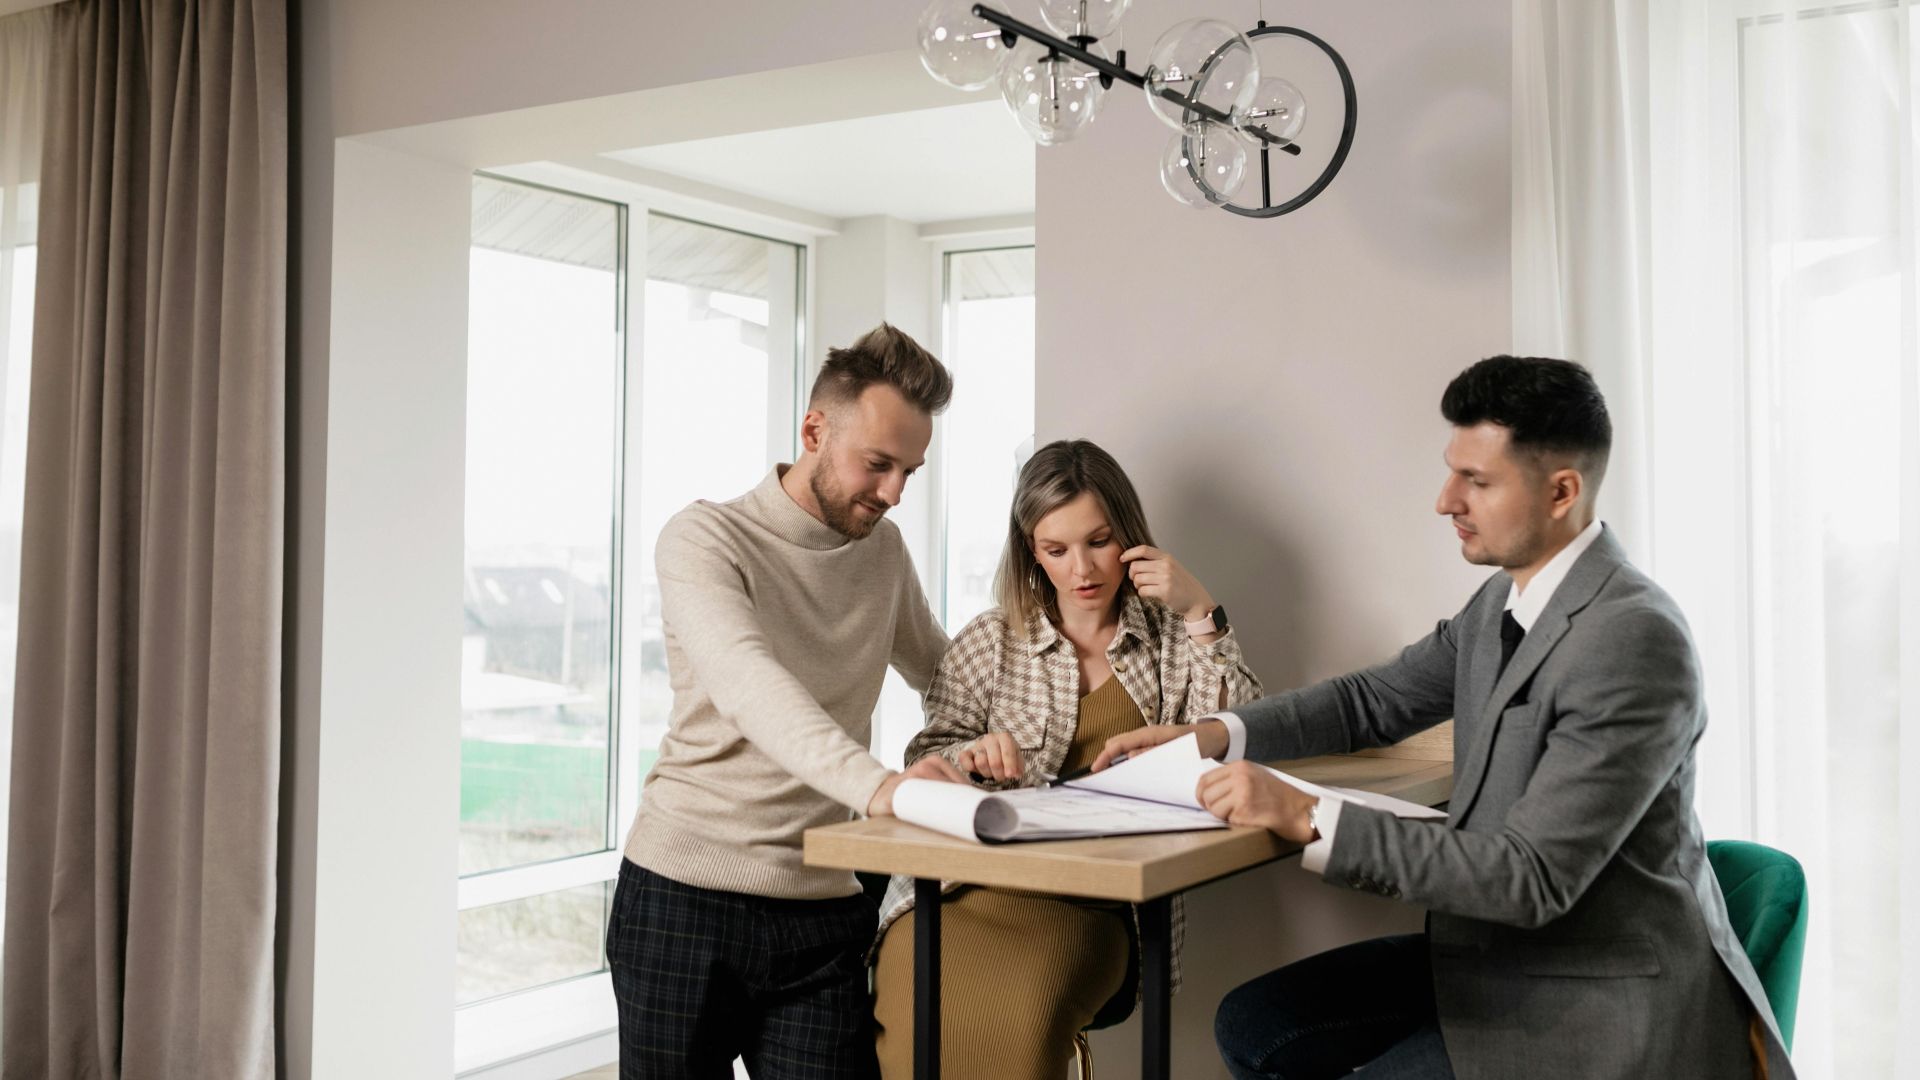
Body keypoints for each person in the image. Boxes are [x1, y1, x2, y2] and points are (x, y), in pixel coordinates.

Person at [1094, 356, 1795, 1080]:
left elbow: (1530, 877)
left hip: (1590, 1004)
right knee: (1253, 1024)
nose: (1444, 500)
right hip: (1494, 957)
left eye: (1477, 482)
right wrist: (1209, 733)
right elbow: (1375, 700)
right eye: (1451, 471)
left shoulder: (1631, 639)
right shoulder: (1501, 604)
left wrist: (1305, 814)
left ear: (1562, 492)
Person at [606, 324, 968, 1080]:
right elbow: (749, 685)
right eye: (878, 464)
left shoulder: (883, 552)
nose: (894, 493)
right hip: (683, 900)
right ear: (813, 430)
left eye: (909, 471)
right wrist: (883, 788)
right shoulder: (706, 539)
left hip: (826, 904)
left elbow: (943, 669)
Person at [869, 439, 1263, 1079]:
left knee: (1024, 1019)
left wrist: (1200, 611)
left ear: (1130, 538)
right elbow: (926, 760)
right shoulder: (989, 641)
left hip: (1099, 905)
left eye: (1099, 541)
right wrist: (971, 757)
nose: (1082, 568)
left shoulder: (1168, 638)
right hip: (965, 893)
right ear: (1032, 552)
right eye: (1056, 550)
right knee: (917, 1010)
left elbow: (1245, 733)